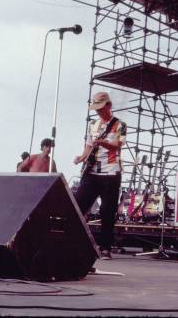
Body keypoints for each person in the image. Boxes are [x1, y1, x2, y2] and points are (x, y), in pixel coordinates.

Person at [73, 91, 126, 260]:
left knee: (107, 211)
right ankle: (74, 241)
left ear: (108, 106)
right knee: (79, 205)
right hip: (92, 172)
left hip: (110, 172)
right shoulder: (93, 125)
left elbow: (117, 146)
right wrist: (81, 158)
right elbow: (88, 147)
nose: (98, 112)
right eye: (96, 109)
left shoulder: (120, 125)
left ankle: (105, 247)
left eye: (100, 108)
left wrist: (102, 142)